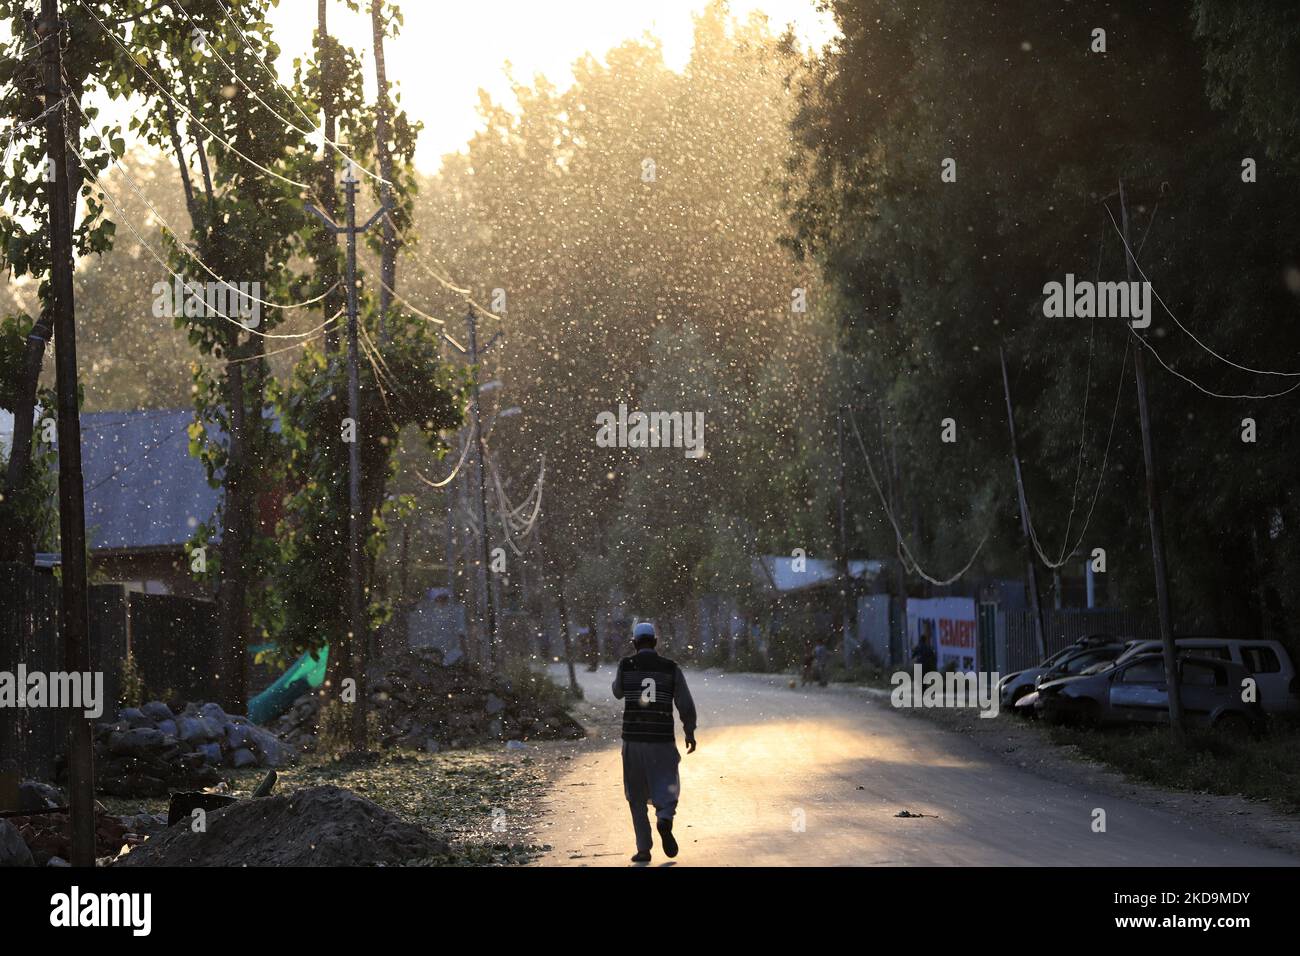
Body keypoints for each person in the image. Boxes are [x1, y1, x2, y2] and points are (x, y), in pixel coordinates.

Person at [612, 621, 697, 863]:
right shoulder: (670, 668)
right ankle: (665, 816)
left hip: (633, 740)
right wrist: (689, 731)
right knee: (667, 781)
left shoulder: (626, 665)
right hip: (661, 739)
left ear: (634, 644)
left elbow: (618, 692)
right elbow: (685, 703)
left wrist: (620, 682)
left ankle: (643, 849)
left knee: (636, 795)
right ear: (656, 643)